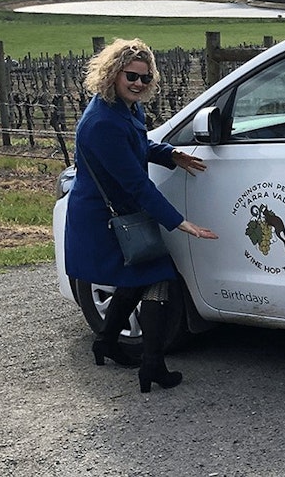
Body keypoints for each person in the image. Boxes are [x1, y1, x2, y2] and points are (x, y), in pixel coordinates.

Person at [64, 38, 218, 394]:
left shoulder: (123, 109)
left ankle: (106, 341)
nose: (139, 84)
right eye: (132, 76)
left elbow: (138, 144)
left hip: (115, 211)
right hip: (104, 218)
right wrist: (179, 222)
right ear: (113, 74)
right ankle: (152, 364)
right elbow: (135, 185)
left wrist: (170, 154)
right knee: (159, 275)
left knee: (137, 278)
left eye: (146, 78)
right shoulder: (103, 121)